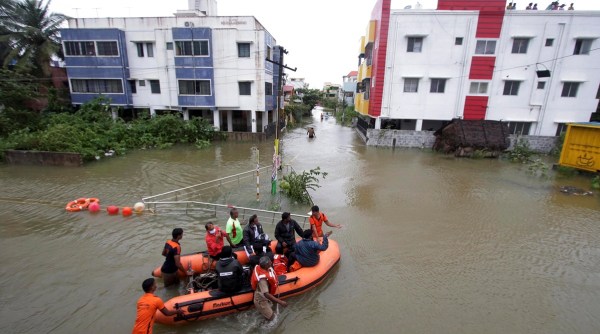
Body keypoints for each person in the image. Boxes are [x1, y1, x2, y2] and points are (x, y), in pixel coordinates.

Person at [251, 256, 287, 321]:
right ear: (266, 265)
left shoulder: (263, 268)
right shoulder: (262, 280)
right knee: (272, 319)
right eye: (270, 262)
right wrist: (280, 302)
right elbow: (266, 294)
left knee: (268, 315)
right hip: (261, 300)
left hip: (263, 296)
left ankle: (265, 316)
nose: (271, 262)